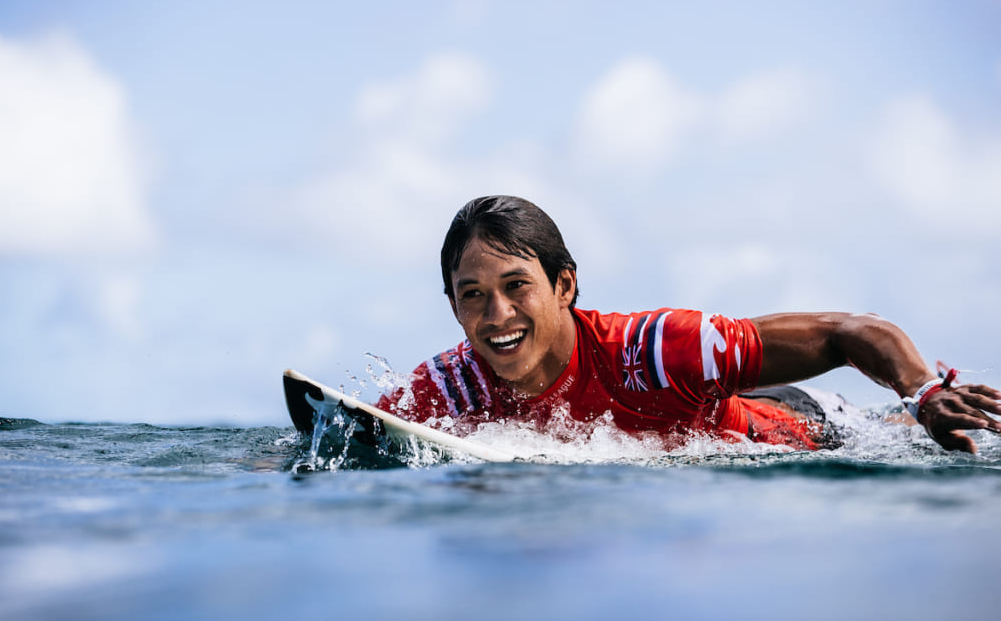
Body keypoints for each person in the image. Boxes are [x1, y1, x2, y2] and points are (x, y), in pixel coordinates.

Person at [377, 195, 1001, 453]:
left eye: (517, 287)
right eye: (472, 296)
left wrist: (923, 395)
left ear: (564, 285)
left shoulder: (656, 349)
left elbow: (851, 330)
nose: (497, 317)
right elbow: (349, 431)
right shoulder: (452, 387)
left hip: (802, 429)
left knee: (876, 424)